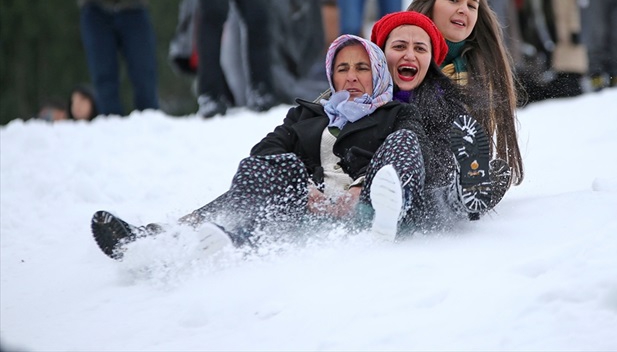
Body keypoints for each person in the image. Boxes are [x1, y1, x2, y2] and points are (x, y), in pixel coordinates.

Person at [91, 34, 429, 260]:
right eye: (343, 69)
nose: (352, 77)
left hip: (367, 206)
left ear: (378, 73)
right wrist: (307, 189)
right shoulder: (307, 114)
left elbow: (412, 151)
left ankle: (387, 214)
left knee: (405, 143)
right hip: (307, 211)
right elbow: (265, 150)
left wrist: (358, 189)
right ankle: (157, 241)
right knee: (262, 167)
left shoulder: (396, 114)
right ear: (332, 77)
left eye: (361, 68)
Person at [370, 11, 506, 219]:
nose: (409, 55)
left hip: (428, 191)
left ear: (431, 60)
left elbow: (445, 162)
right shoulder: (359, 96)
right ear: (380, 54)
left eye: (420, 49)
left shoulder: (444, 103)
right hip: (371, 186)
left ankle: (466, 193)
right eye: (399, 47)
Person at [407, 0, 523, 195]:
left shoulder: (480, 72)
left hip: (443, 171)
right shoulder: (397, 53)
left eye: (472, 5)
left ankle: (462, 194)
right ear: (430, 4)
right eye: (453, 0)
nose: (463, 10)